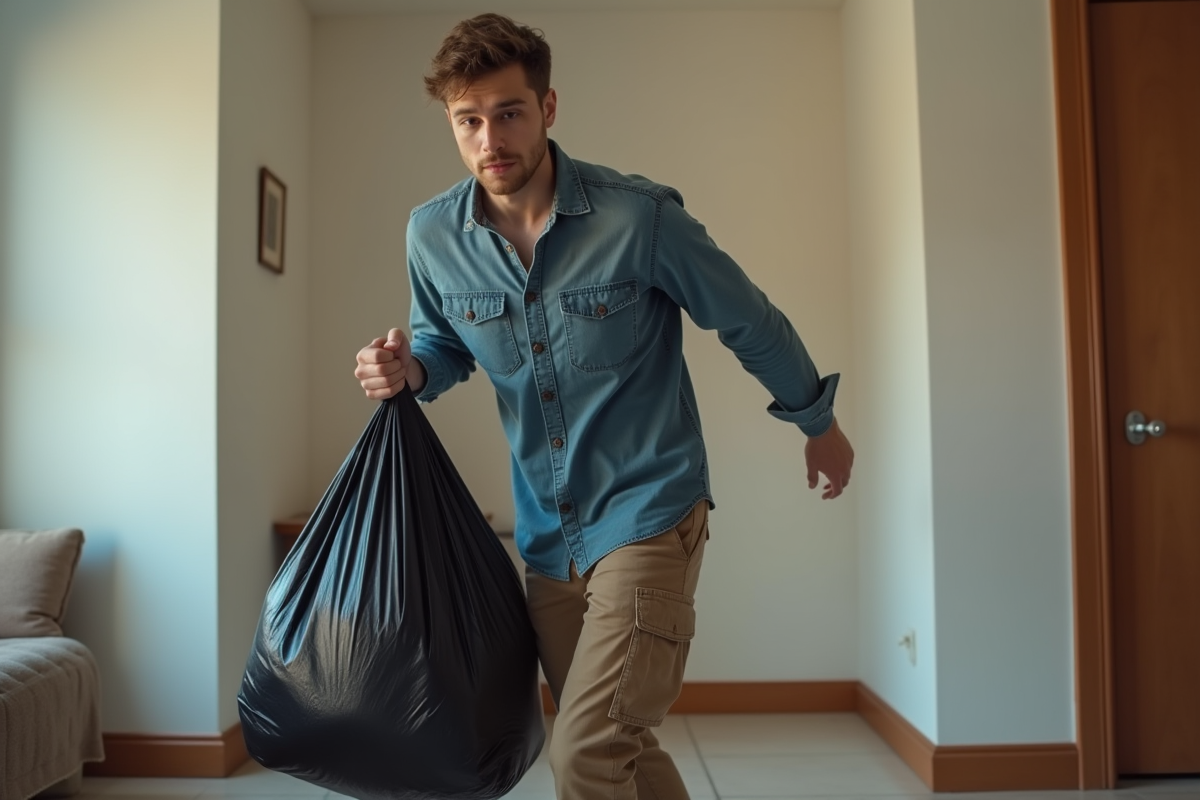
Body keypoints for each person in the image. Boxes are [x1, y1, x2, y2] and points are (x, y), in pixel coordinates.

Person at [353, 13, 854, 799]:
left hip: (650, 512)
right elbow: (442, 347)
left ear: (549, 108)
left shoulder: (639, 217)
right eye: (469, 120)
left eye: (510, 113)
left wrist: (817, 422)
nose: (491, 139)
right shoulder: (431, 236)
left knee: (584, 754)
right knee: (623, 751)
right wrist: (407, 368)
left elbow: (747, 318)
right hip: (549, 540)